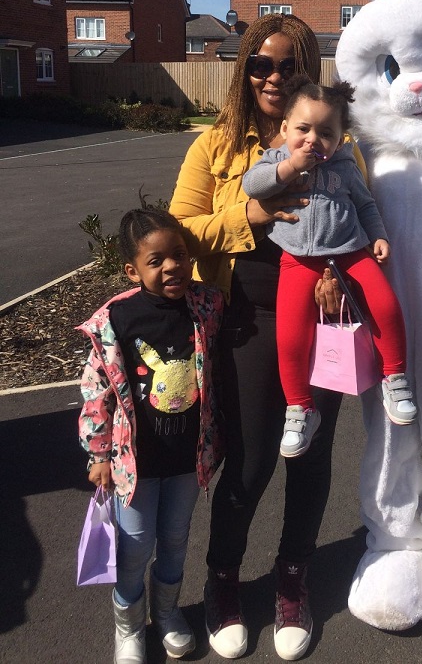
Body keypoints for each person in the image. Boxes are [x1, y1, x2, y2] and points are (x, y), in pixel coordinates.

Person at [169, 14, 357, 662]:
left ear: (307, 71)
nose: (273, 76)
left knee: (308, 461)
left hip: (321, 319)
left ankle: (292, 580)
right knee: (248, 463)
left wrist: (337, 271)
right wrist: (245, 212)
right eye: (260, 63)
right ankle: (223, 581)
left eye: (287, 65)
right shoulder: (216, 147)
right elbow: (177, 233)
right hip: (249, 321)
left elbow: (358, 222)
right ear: (243, 69)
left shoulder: (331, 138)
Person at [78, 208, 225, 664]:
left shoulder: (206, 306)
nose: (171, 268)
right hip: (134, 465)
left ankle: (167, 613)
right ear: (132, 270)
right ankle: (128, 627)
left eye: (179, 255)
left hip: (186, 458)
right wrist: (98, 452)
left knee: (177, 538)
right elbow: (96, 389)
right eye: (156, 261)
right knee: (136, 545)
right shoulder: (117, 320)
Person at [242, 74, 417, 459]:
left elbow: (366, 204)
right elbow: (252, 186)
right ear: (285, 127)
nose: (311, 140)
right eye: (302, 129)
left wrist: (379, 236)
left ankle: (395, 376)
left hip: (351, 251)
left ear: (340, 139)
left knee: (385, 307)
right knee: (290, 337)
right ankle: (300, 407)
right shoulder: (274, 159)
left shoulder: (344, 165)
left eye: (325, 133)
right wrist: (289, 168)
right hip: (297, 260)